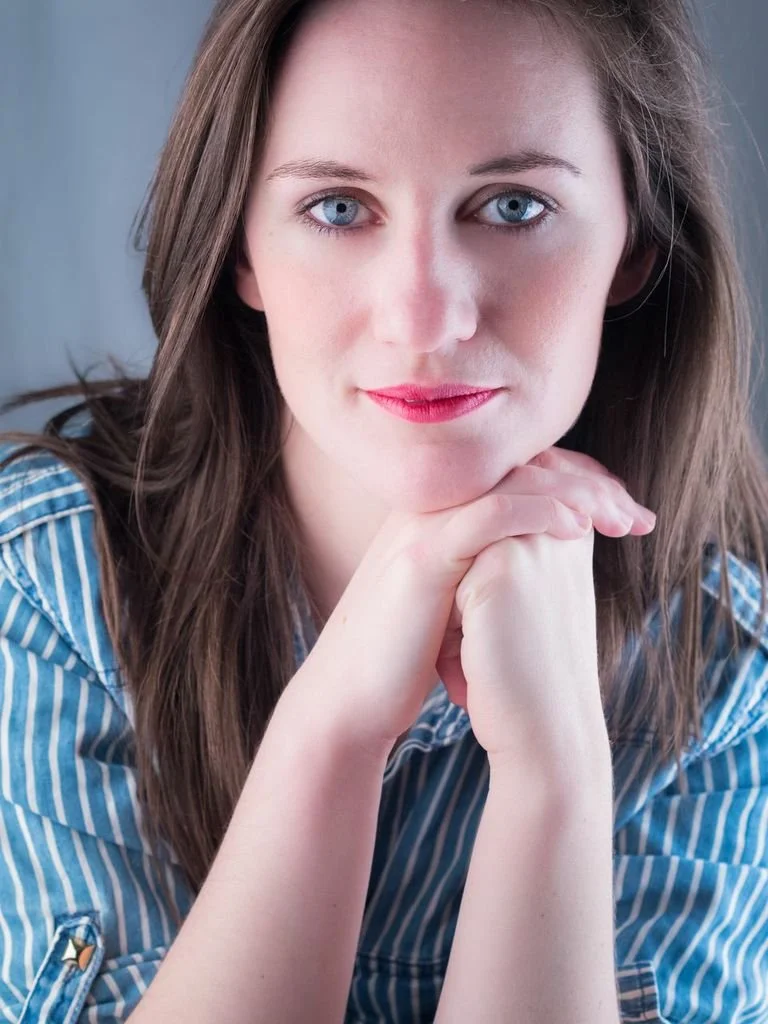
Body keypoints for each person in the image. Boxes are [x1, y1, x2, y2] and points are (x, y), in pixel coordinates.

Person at [2, 0, 768, 1020]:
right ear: (241, 249)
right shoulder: (44, 588)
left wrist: (553, 779)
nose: (423, 316)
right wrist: (335, 727)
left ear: (636, 241)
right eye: (338, 208)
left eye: (512, 207)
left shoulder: (728, 678)